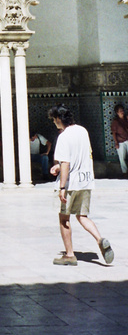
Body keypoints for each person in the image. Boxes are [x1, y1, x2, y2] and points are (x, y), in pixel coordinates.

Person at [48, 103, 114, 267]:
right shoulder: (82, 131)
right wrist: (60, 167)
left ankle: (69, 255)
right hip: (86, 180)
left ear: (58, 119)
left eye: (54, 119)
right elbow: (80, 155)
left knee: (64, 218)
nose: (54, 122)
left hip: (71, 183)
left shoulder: (63, 136)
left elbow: (66, 162)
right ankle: (100, 239)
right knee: (82, 216)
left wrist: (62, 187)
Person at [110, 102, 128, 176]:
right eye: (120, 111)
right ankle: (125, 172)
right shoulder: (115, 122)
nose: (122, 112)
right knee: (122, 158)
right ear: (117, 112)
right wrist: (116, 143)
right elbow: (114, 133)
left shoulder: (126, 119)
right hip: (120, 141)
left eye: (122, 110)